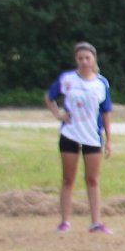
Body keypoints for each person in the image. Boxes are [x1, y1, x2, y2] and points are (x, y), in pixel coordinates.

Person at [44, 41, 113, 233]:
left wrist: (109, 140)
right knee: (68, 179)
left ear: (94, 60)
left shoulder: (101, 83)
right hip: (70, 134)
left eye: (87, 58)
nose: (84, 61)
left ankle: (96, 222)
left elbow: (106, 112)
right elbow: (49, 97)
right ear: (76, 59)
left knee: (92, 179)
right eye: (80, 58)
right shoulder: (67, 79)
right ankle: (65, 221)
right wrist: (58, 114)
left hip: (92, 136)